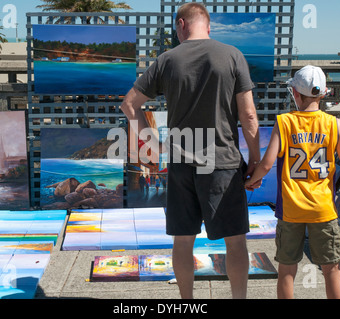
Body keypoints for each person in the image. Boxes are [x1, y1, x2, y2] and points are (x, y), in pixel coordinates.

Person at [120, 2, 260, 299]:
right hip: (222, 163)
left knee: (183, 242)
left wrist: (153, 146)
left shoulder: (167, 60)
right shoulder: (232, 55)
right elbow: (248, 116)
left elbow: (129, 105)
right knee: (235, 242)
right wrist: (256, 160)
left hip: (182, 163)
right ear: (207, 27)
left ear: (181, 24)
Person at [245, 65, 340, 299]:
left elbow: (265, 164)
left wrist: (250, 182)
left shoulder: (284, 122)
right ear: (324, 93)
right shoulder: (335, 125)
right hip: (323, 210)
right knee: (331, 269)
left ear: (295, 93)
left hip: (291, 210)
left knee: (286, 269)